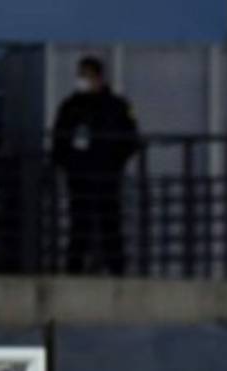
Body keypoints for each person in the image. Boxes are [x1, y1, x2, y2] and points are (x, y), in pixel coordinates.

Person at [52, 55, 140, 275]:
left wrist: (113, 162)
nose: (81, 80)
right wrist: (69, 163)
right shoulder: (71, 106)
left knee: (110, 223)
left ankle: (116, 269)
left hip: (107, 175)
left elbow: (130, 139)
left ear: (98, 78)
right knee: (79, 224)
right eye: (80, 75)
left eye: (86, 76)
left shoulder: (117, 106)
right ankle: (74, 269)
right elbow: (59, 139)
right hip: (79, 175)